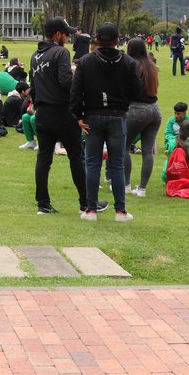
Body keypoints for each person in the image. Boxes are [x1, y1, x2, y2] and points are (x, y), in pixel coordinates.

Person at [71, 23, 142, 221]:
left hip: (92, 117)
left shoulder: (85, 61)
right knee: (117, 164)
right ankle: (120, 211)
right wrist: (123, 103)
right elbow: (137, 91)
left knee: (92, 164)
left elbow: (75, 92)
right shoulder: (128, 62)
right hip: (118, 116)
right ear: (117, 40)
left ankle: (91, 210)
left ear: (97, 40)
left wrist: (78, 116)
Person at [31, 16, 100, 216]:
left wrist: (38, 105)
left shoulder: (35, 55)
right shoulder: (60, 52)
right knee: (76, 157)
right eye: (66, 34)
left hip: (42, 113)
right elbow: (65, 81)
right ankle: (85, 202)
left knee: (43, 158)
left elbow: (33, 87)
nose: (68, 39)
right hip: (61, 111)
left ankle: (42, 204)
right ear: (58, 34)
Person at [123, 37, 161, 198]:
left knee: (123, 147)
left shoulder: (131, 65)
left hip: (136, 109)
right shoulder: (152, 66)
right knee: (147, 151)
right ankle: (142, 188)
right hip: (154, 109)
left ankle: (125, 185)